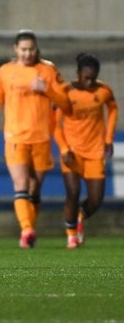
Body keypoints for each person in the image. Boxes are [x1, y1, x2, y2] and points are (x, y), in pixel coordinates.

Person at [0, 29, 71, 249]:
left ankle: (29, 231)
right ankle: (27, 230)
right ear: (16, 49)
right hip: (15, 138)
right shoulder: (6, 72)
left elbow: (65, 103)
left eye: (31, 49)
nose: (27, 53)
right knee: (21, 184)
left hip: (41, 139)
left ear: (36, 49)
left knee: (35, 189)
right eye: (24, 49)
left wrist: (47, 90)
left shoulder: (47, 70)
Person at [53, 53, 118, 249]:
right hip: (72, 151)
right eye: (85, 77)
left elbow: (113, 109)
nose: (89, 82)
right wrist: (64, 148)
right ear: (78, 74)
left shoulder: (104, 90)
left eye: (92, 78)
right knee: (73, 192)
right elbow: (54, 125)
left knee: (96, 200)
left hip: (95, 151)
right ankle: (71, 234)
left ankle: (79, 217)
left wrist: (108, 139)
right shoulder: (65, 91)